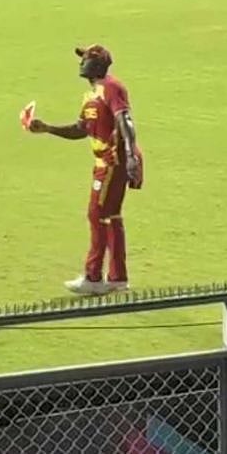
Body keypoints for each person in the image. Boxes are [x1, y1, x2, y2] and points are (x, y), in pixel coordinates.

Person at [28, 45, 143, 296]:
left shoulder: (112, 88)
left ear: (99, 65)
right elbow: (81, 129)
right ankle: (117, 277)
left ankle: (93, 277)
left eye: (87, 59)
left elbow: (125, 120)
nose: (82, 64)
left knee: (96, 214)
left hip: (113, 161)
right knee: (110, 216)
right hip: (104, 163)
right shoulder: (91, 96)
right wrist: (48, 128)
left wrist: (132, 155)